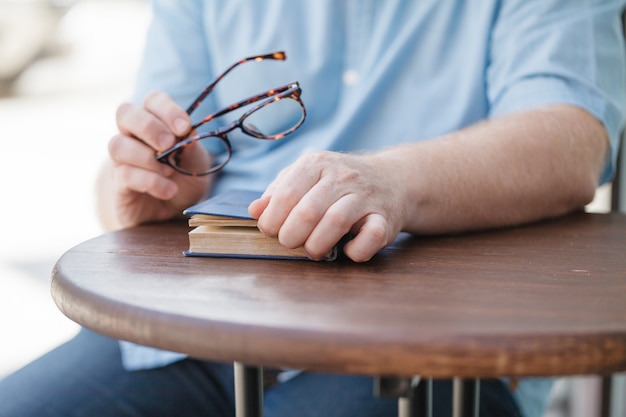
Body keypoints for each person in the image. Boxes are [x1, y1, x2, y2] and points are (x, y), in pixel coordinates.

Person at [1, 1, 625, 416]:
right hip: (190, 330)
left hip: (423, 348)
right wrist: (142, 184)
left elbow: (570, 141)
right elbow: (147, 150)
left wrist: (394, 180)